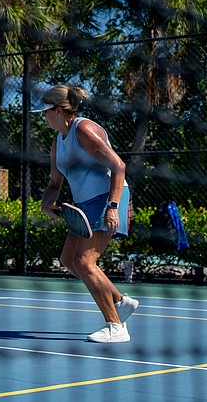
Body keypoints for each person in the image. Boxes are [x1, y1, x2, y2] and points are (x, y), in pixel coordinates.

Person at [34, 85, 139, 343]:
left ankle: (116, 326)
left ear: (59, 111)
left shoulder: (84, 130)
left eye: (45, 112)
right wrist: (46, 204)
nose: (43, 117)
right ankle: (120, 301)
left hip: (108, 197)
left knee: (84, 262)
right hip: (86, 203)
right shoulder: (57, 141)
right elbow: (54, 184)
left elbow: (118, 166)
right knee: (69, 259)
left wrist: (113, 207)